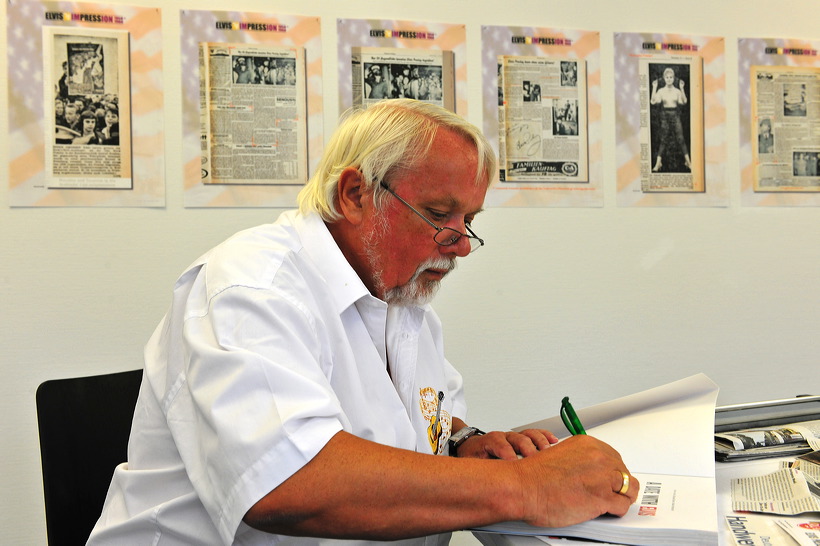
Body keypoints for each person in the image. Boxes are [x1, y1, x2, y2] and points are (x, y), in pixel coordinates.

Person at [89, 99, 637, 546]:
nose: (463, 245)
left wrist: (466, 442)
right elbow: (291, 483)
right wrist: (525, 487)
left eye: (470, 219)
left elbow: (421, 420)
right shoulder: (251, 285)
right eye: (440, 214)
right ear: (355, 195)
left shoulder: (401, 295)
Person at [650, 67, 691, 172]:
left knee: (681, 139)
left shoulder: (677, 91)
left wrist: (682, 88)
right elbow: (653, 102)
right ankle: (658, 163)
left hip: (675, 115)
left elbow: (684, 102)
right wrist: (654, 87)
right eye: (667, 77)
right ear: (664, 78)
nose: (669, 79)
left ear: (673, 78)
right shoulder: (661, 90)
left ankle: (688, 162)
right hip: (664, 116)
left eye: (671, 77)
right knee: (663, 140)